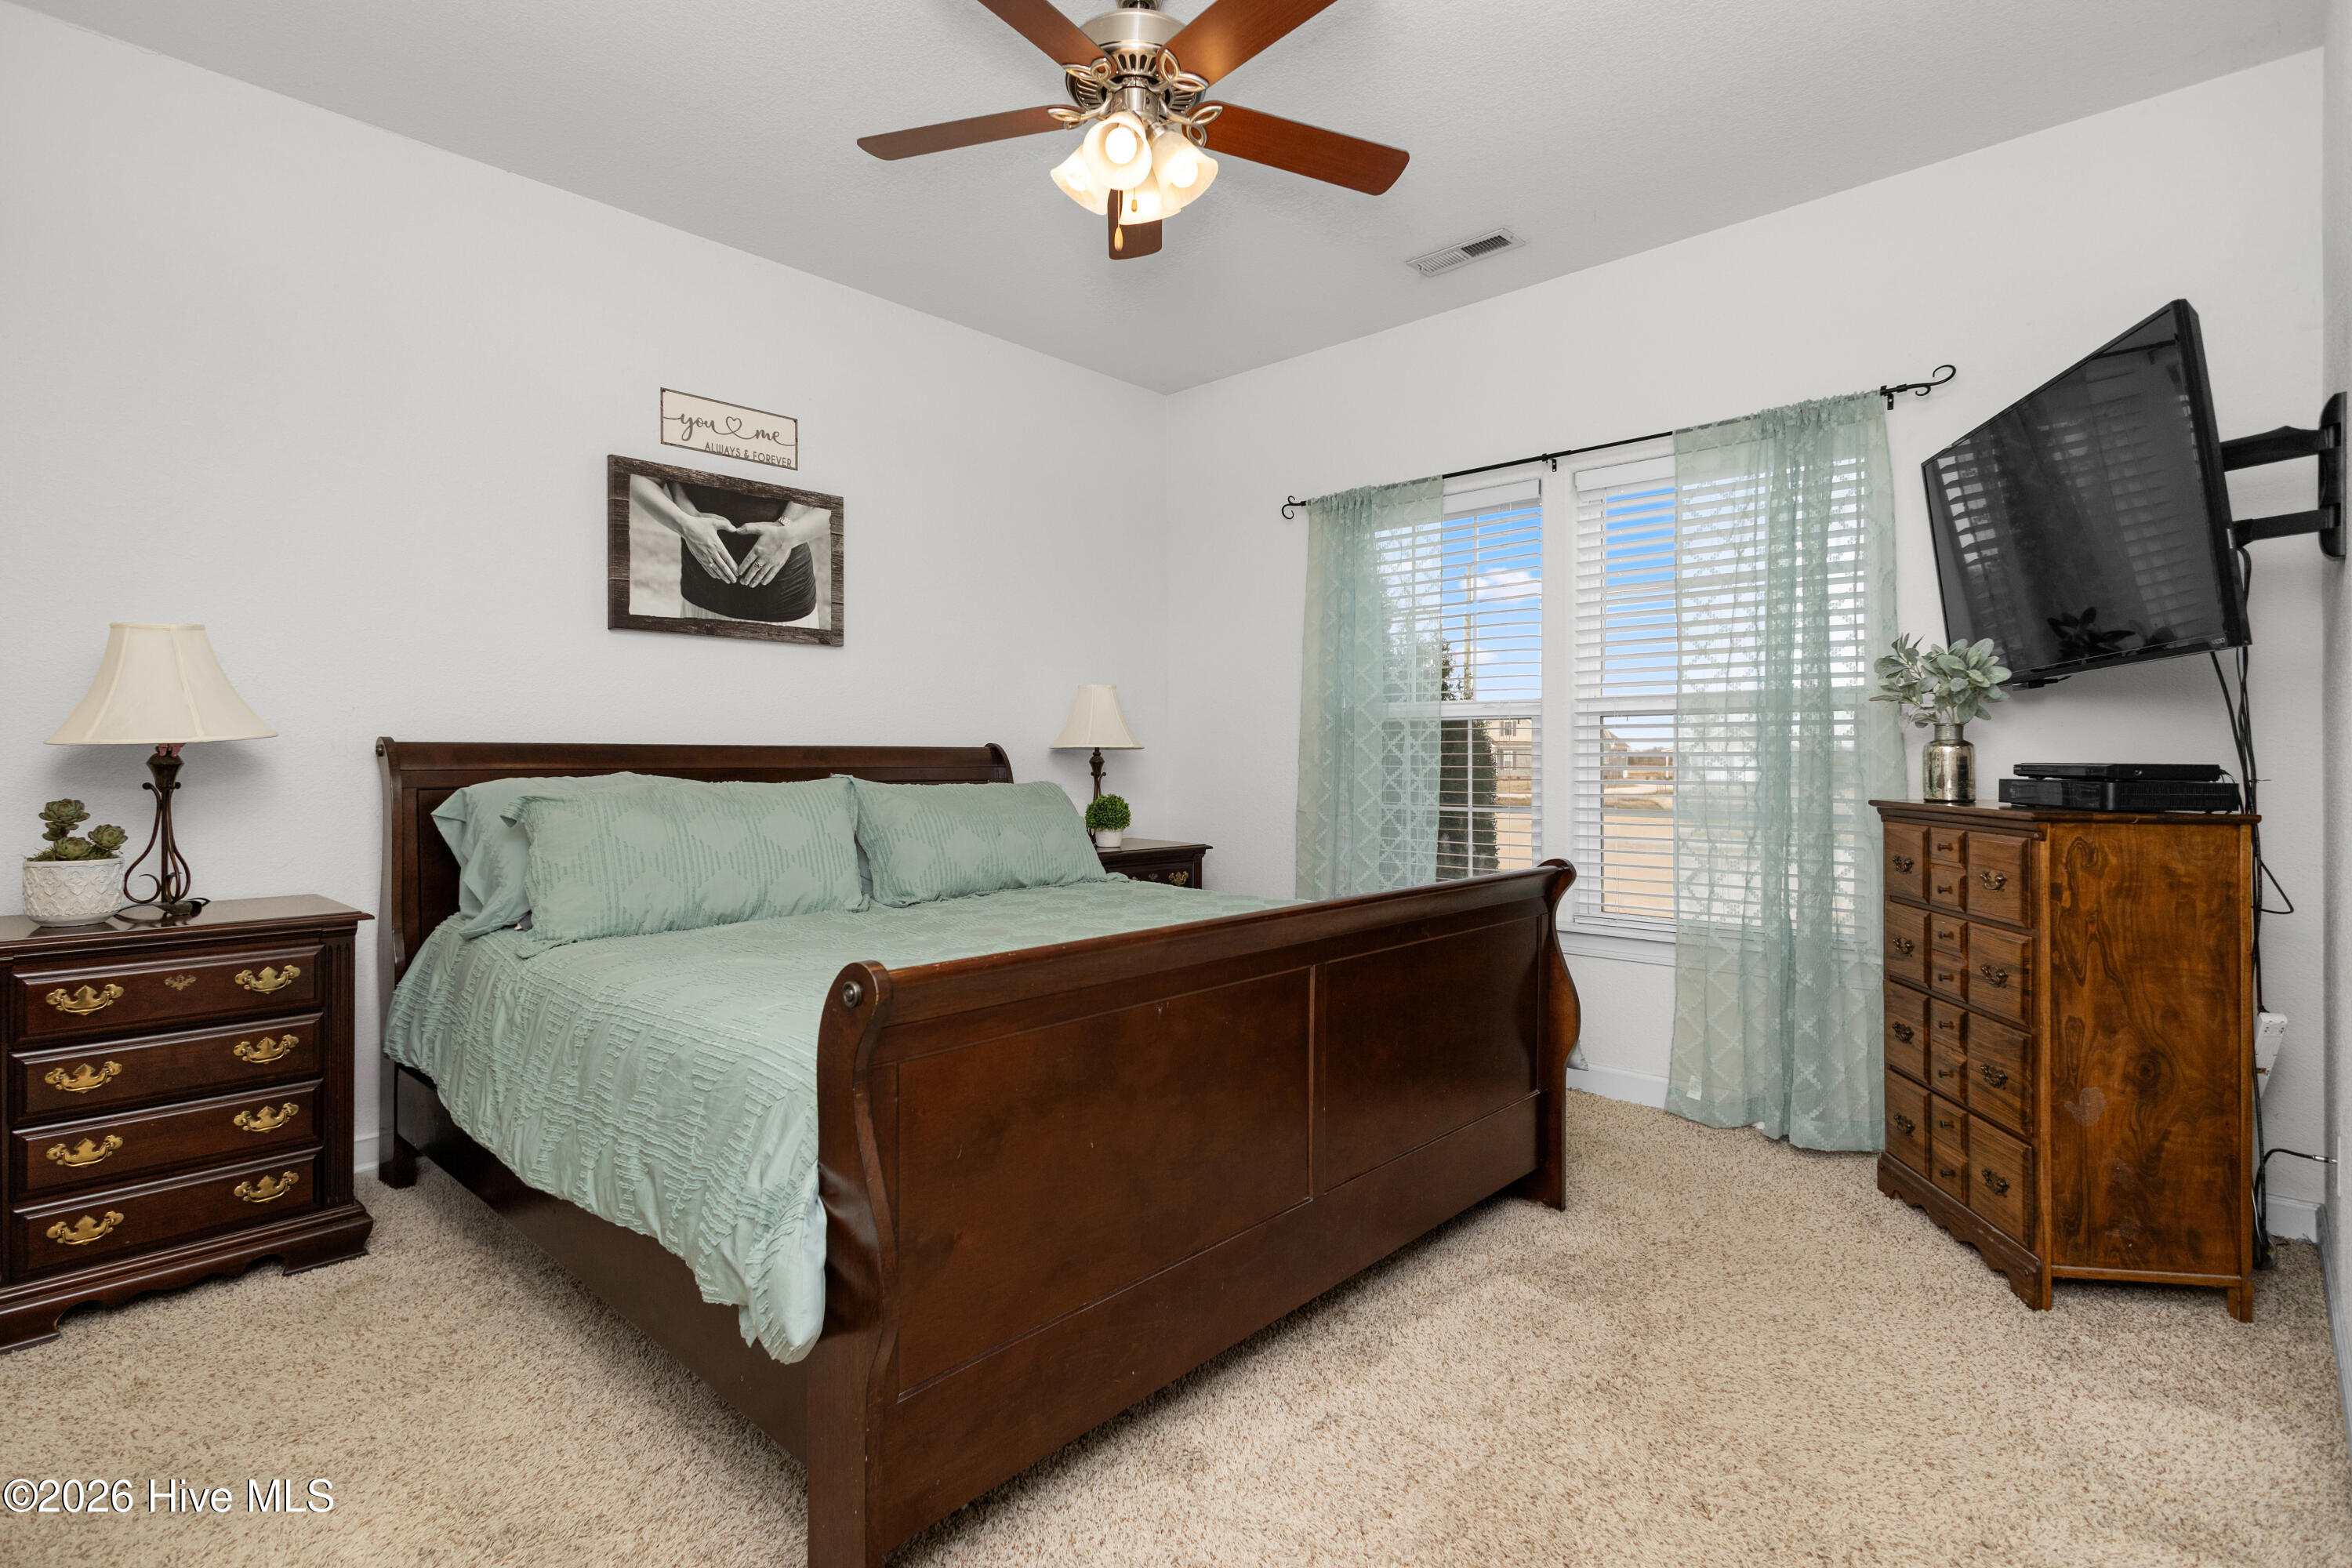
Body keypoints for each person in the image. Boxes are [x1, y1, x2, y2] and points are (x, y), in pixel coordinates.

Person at [627, 474, 830, 626]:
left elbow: (834, 503)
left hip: (785, 604)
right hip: (701, 598)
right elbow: (641, 478)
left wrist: (789, 535)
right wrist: (685, 523)